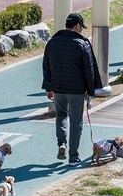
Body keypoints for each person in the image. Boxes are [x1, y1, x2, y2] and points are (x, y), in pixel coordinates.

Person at [42, 13, 102, 166]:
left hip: (58, 89)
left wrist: (49, 88)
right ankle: (73, 157)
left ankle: (62, 143)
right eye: (81, 27)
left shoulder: (52, 42)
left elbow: (46, 66)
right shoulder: (82, 44)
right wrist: (91, 91)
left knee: (61, 115)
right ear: (77, 26)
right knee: (76, 121)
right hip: (76, 90)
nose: (82, 30)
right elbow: (89, 70)